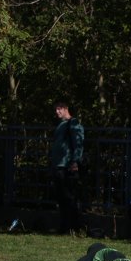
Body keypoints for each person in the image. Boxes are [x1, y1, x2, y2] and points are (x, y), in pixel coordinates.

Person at [50, 100, 84, 234]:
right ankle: (64, 226)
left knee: (70, 197)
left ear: (66, 109)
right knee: (62, 198)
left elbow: (78, 143)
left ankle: (74, 227)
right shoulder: (61, 125)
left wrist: (75, 161)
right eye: (56, 109)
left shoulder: (73, 123)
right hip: (59, 166)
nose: (57, 112)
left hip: (67, 166)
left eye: (59, 109)